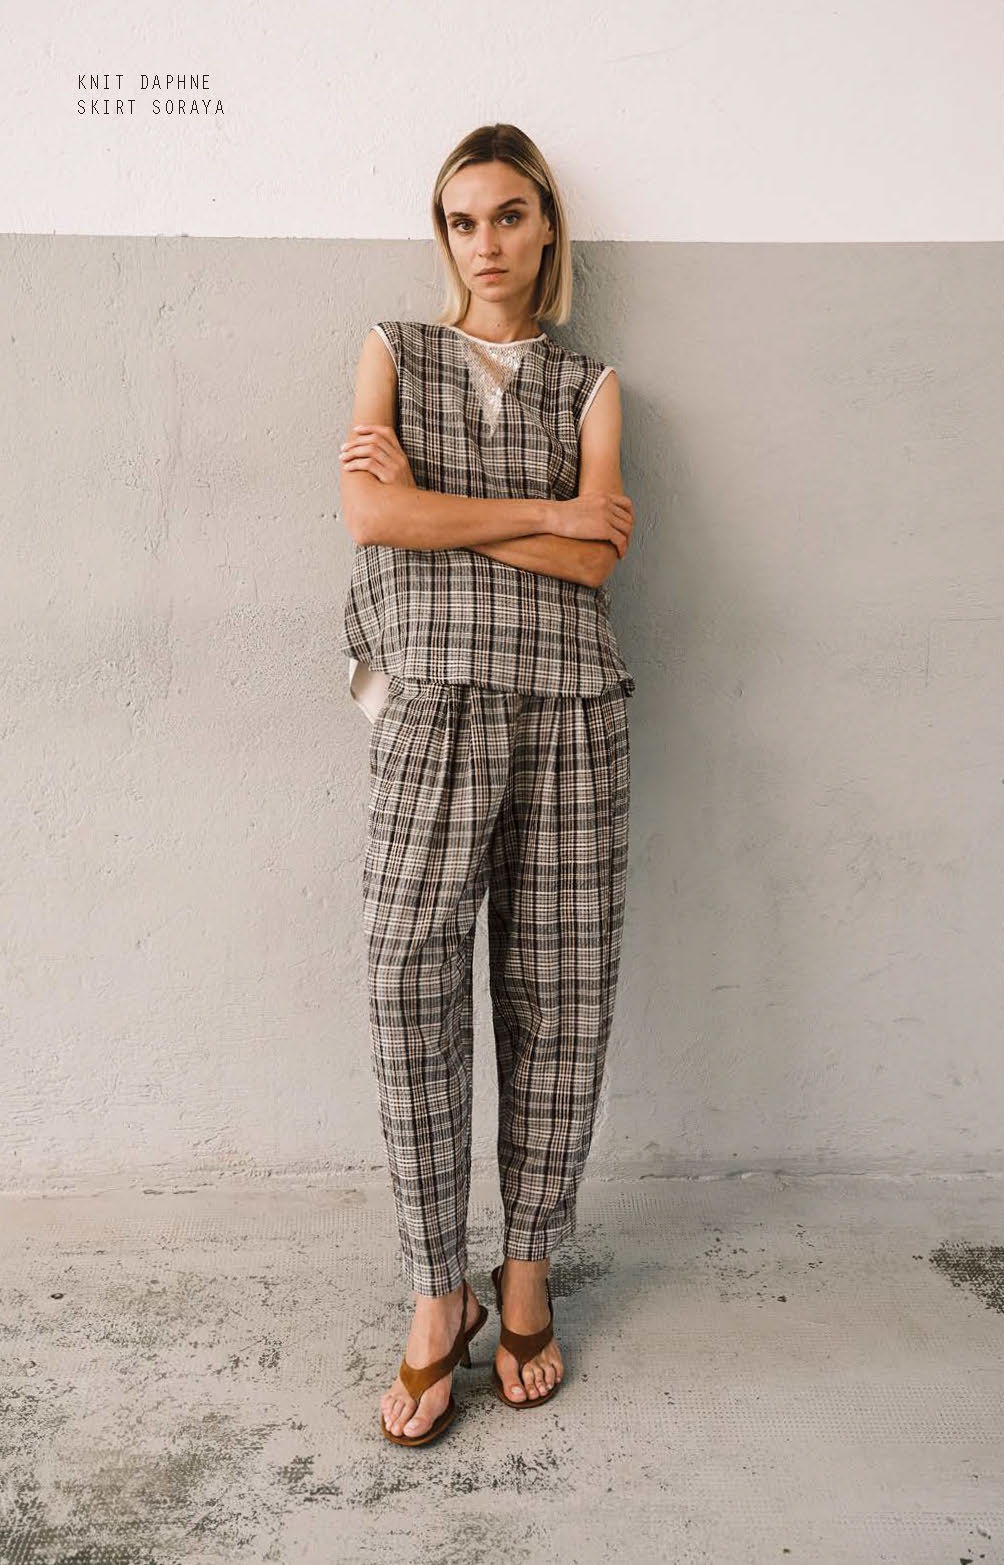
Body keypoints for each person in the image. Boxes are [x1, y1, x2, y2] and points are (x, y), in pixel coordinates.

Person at [338, 123, 636, 1446]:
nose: (487, 244)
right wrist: (550, 512)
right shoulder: (394, 352)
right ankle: (435, 1287)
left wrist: (462, 516)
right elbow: (374, 519)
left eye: (509, 216)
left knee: (557, 990)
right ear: (443, 235)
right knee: (407, 972)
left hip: (571, 707)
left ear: (546, 224)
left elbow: (598, 562)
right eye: (463, 221)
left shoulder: (593, 385)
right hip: (434, 706)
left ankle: (526, 1268)